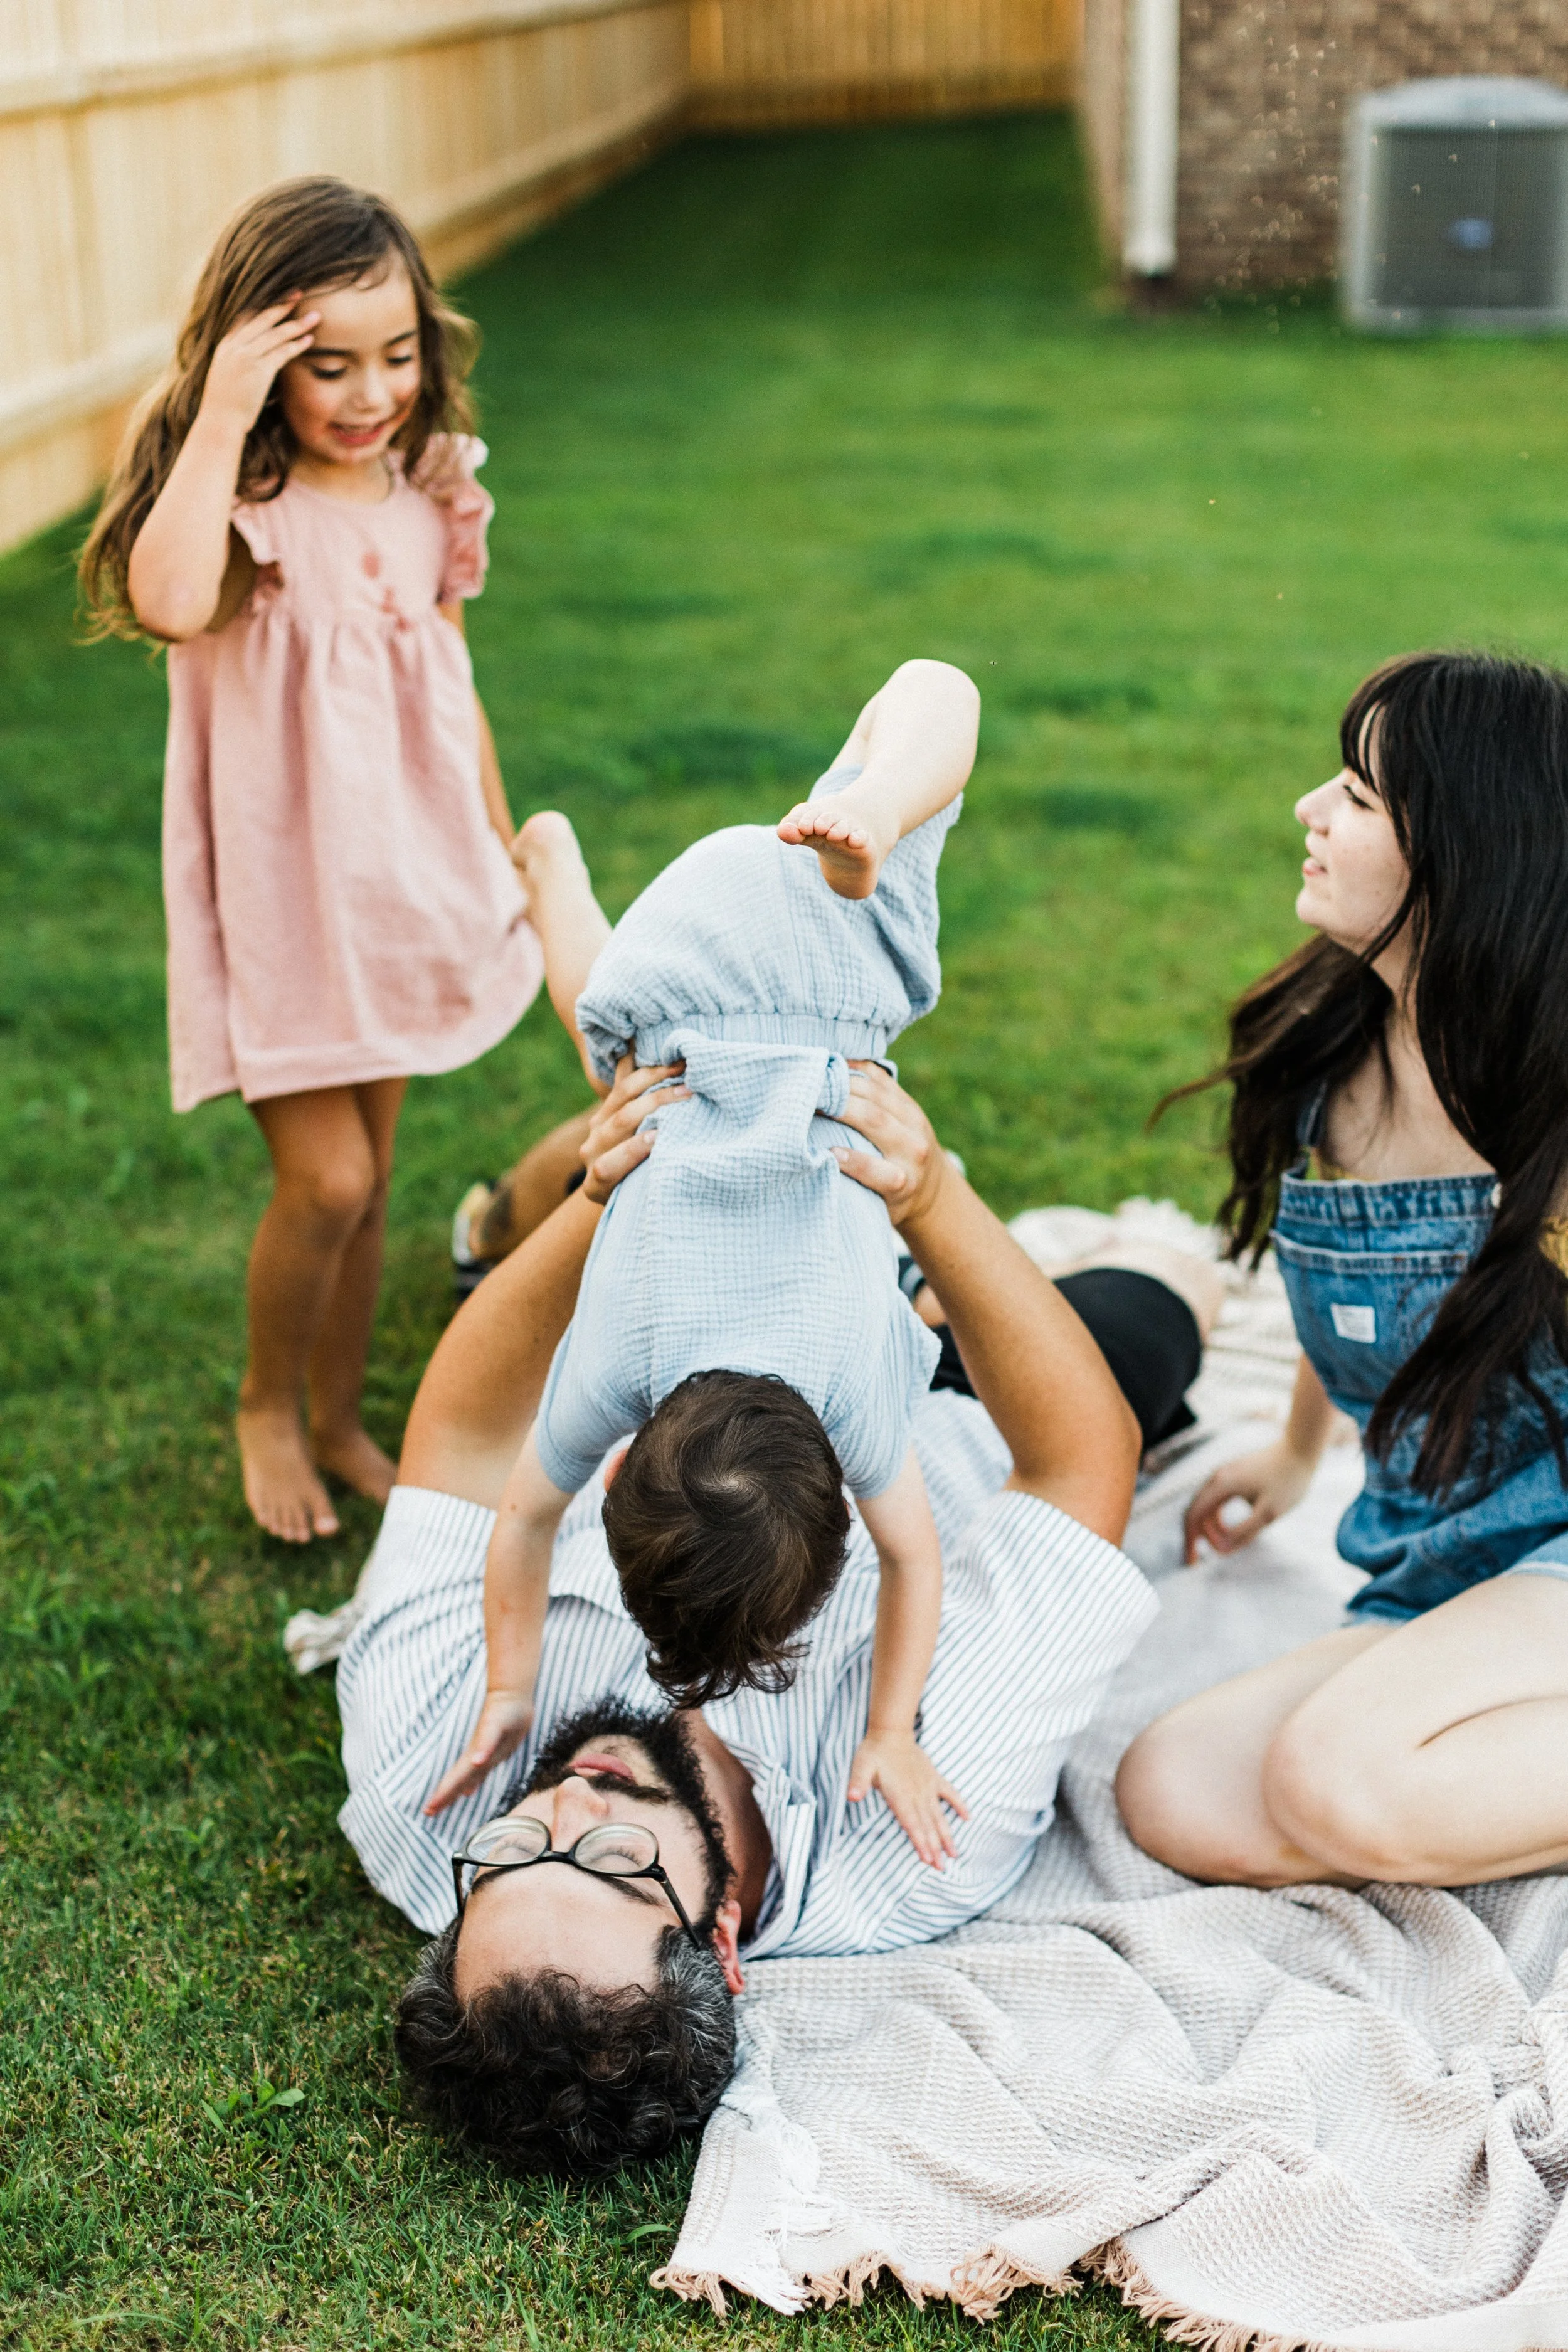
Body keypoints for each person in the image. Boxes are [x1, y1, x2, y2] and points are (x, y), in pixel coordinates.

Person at [332, 1062, 1188, 2176]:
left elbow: (461, 1440)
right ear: (721, 1939)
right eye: (615, 1857)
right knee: (1157, 1308)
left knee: (632, 1143)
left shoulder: (414, 1779)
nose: (570, 1798)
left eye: (511, 1853)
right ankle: (925, 1292)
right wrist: (932, 1201)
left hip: (659, 1377)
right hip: (946, 1428)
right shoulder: (913, 1846)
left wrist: (600, 1196)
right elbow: (1079, 1460)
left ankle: (503, 1227)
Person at [438, 663, 982, 1868]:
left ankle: (882, 805)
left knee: (940, 690)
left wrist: (893, 1725)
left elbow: (915, 1556)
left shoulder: (850, 1396)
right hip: (679, 1007)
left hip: (825, 984)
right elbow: (525, 1519)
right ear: (622, 1459)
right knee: (610, 1053)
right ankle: (558, 881)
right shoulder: (622, 1363)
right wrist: (505, 1684)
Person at [78, 177, 541, 1546]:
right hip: (284, 900)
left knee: (377, 1178)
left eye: (395, 356)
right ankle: (265, 1404)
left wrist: (498, 839)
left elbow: (450, 680)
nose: (369, 392)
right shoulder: (240, 504)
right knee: (325, 1179)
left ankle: (342, 1418)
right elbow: (164, 604)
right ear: (258, 355)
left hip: (401, 880)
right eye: (326, 364)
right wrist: (219, 412)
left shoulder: (423, 490)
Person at [1117, 651, 1568, 1891]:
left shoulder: (1545, 1111)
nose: (1307, 810)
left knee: (1336, 1779)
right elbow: (1370, 1301)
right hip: (1441, 1554)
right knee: (1174, 1790)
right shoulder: (1327, 1054)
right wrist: (1291, 1451)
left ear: (1463, 852)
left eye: (1359, 798)